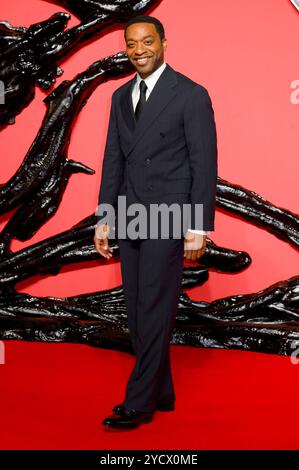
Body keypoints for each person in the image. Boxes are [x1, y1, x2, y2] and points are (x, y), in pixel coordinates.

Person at [94, 15, 218, 430]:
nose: (139, 50)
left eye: (147, 41)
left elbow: (204, 164)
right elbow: (113, 159)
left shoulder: (190, 94)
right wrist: (105, 218)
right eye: (132, 43)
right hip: (129, 214)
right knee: (136, 310)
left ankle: (139, 400)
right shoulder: (118, 97)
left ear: (164, 43)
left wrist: (198, 227)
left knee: (152, 307)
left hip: (169, 216)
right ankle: (162, 391)